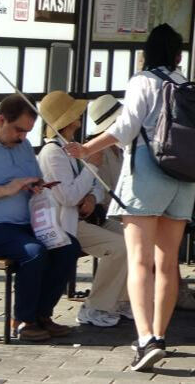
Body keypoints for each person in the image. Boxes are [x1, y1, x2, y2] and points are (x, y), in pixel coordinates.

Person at [65, 24, 195, 371]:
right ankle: (162, 336)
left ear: (146, 54)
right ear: (178, 55)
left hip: (147, 178)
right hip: (184, 179)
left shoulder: (143, 81)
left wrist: (86, 148)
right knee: (167, 264)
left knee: (139, 261)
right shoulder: (188, 85)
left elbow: (124, 128)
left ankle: (145, 339)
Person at [0, 94, 81, 342]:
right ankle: (23, 320)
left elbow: (29, 176)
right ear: (1, 120)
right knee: (34, 252)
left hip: (22, 223)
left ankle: (42, 314)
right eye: (19, 130)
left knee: (68, 246)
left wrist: (36, 185)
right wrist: (6, 189)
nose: (22, 137)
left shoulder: (21, 145)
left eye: (27, 132)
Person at [37, 91, 130, 328]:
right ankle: (95, 306)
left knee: (134, 242)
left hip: (88, 218)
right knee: (118, 248)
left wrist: (91, 196)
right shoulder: (52, 153)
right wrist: (91, 167)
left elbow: (96, 188)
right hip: (66, 224)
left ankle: (119, 299)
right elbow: (68, 196)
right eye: (75, 114)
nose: (80, 118)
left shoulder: (69, 148)